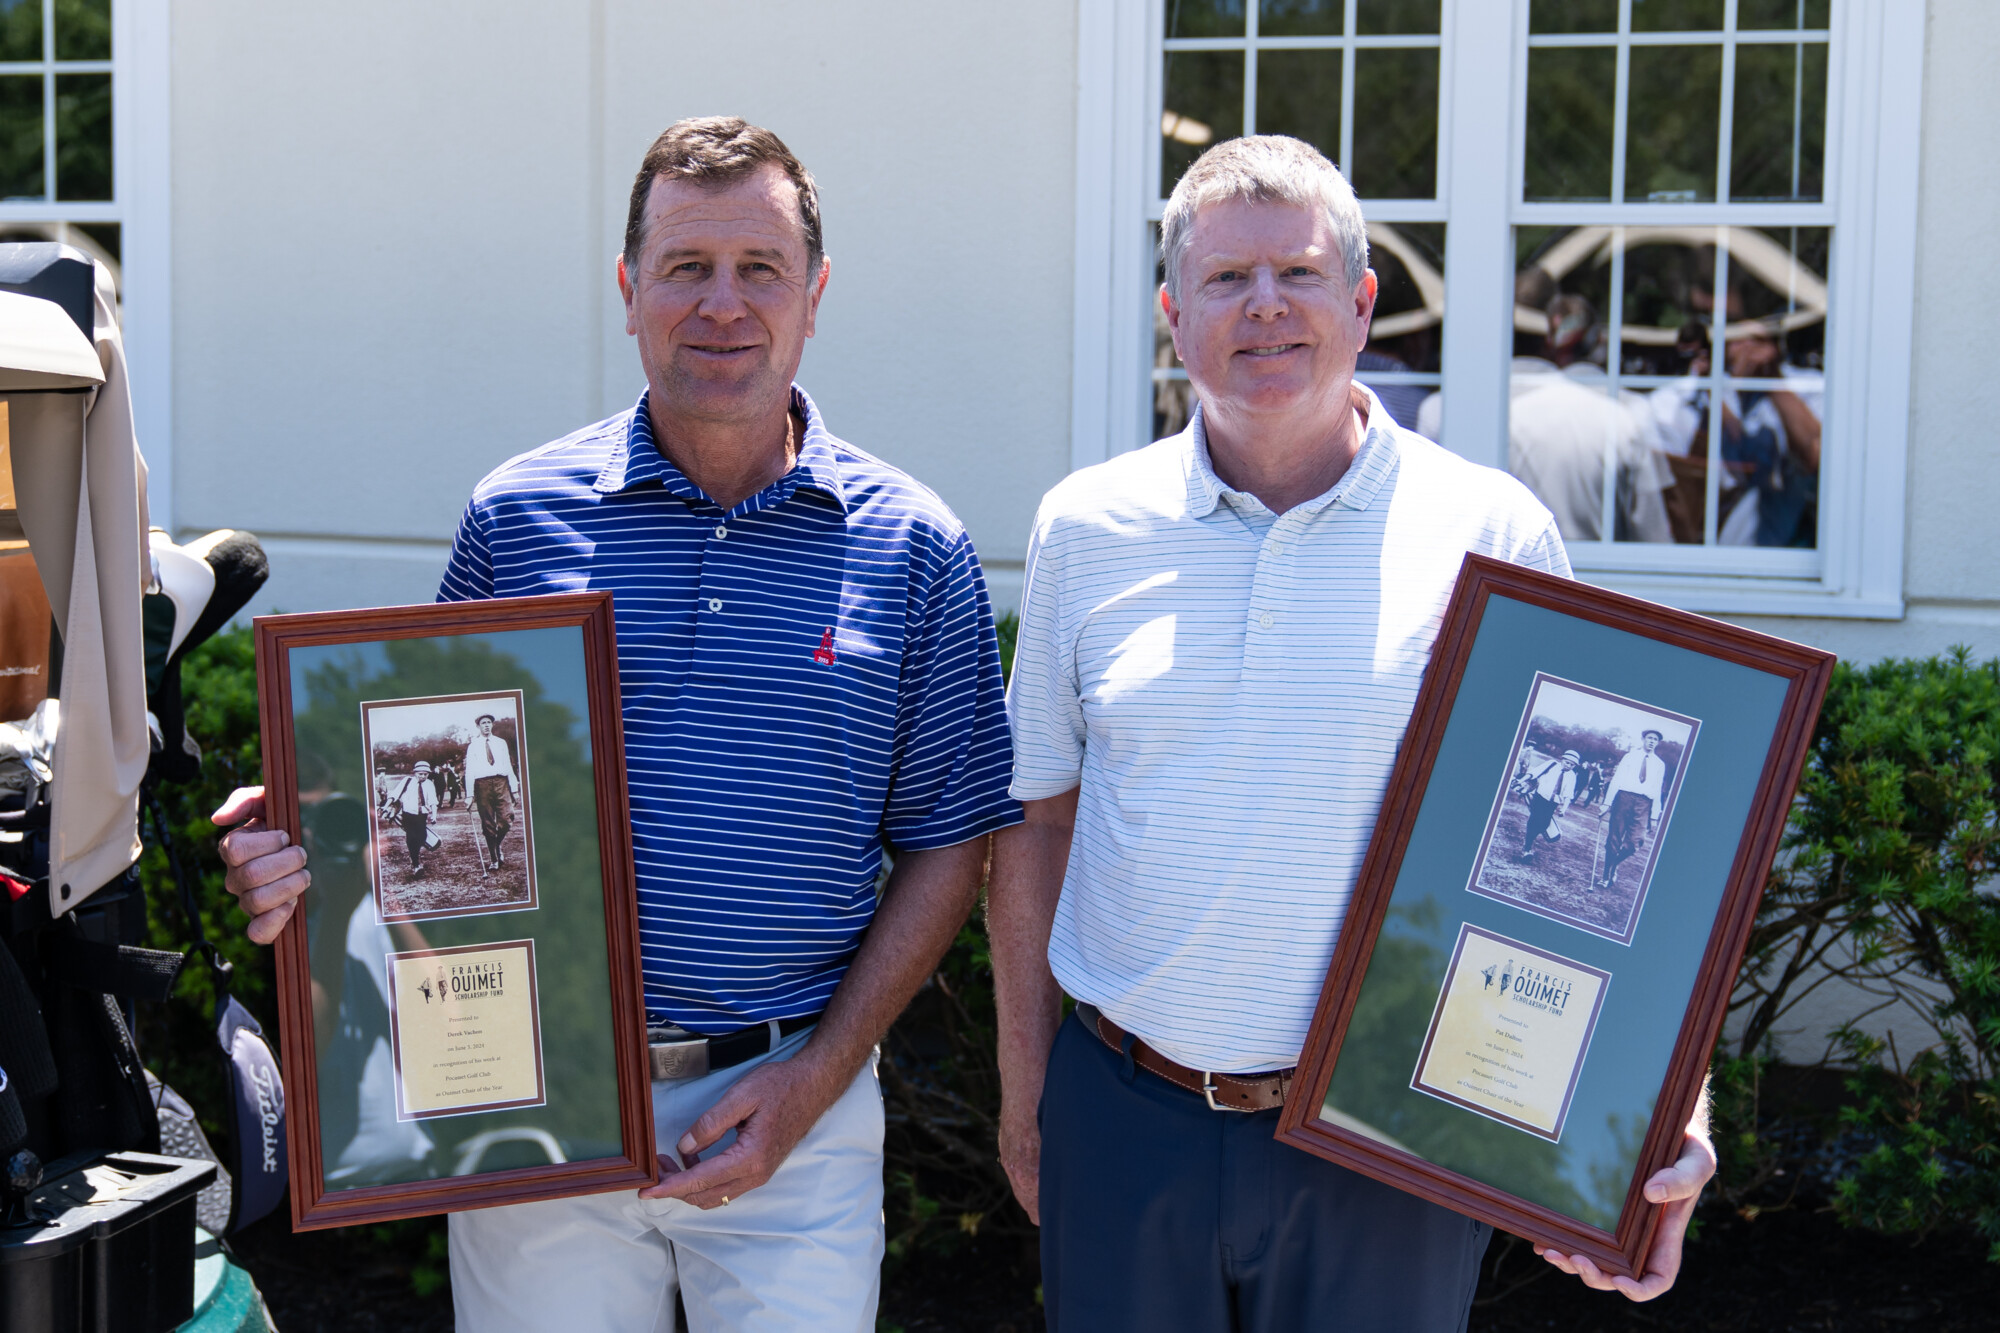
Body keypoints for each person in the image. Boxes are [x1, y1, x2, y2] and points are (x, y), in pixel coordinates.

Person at [213, 116, 1019, 1331]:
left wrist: (815, 1078)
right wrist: (305, 849)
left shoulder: (914, 547)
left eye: (760, 269)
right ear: (628, 286)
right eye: (687, 267)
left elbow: (951, 839)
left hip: (793, 1100)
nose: (722, 305)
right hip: (530, 1096)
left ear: (816, 295)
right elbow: (417, 805)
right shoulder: (515, 519)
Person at [988, 135, 1715, 1332]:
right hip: (1124, 1116)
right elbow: (1037, 820)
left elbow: (1604, 878)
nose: (1263, 306)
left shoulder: (1492, 531)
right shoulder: (1085, 528)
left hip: (1391, 1132)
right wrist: (1026, 1096)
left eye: (1300, 273)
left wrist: (1663, 1107)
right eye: (1225, 279)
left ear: (1362, 303)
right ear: (1173, 315)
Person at [1508, 295, 1675, 545]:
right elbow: (1651, 531)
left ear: (1550, 342)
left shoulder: (1513, 412)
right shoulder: (1629, 411)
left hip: (1525, 569)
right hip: (1601, 572)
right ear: (1598, 340)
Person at [1597, 728, 1668, 891]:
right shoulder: (1630, 756)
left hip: (1644, 804)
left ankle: (1613, 866)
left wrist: (1655, 816)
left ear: (1657, 743)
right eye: (1649, 738)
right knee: (1614, 840)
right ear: (1643, 739)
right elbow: (1616, 780)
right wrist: (1607, 804)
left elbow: (1657, 790)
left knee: (1635, 842)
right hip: (1624, 799)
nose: (1651, 741)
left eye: (1655, 739)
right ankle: (1606, 876)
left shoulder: (1659, 764)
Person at [461, 714, 520, 874]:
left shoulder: (501, 743)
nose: (486, 725)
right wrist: (469, 795)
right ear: (478, 726)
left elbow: (508, 766)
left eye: (488, 722)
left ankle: (497, 844)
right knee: (488, 825)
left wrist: (514, 789)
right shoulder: (473, 746)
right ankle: (494, 858)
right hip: (482, 785)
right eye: (483, 723)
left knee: (507, 820)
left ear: (492, 725)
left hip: (501, 783)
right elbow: (470, 771)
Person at [1519, 748, 1580, 862]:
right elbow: (1533, 773)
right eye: (1567, 762)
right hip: (1540, 797)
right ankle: (1527, 849)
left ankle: (1529, 840)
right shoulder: (1551, 765)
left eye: (1572, 765)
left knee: (1543, 824)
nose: (1569, 766)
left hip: (1553, 803)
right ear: (1562, 759)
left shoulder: (1572, 776)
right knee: (1534, 820)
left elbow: (1568, 795)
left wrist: (1564, 809)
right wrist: (1521, 781)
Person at [382, 761, 438, 879]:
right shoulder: (407, 781)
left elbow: (433, 801)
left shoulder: (429, 784)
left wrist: (434, 815)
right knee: (411, 837)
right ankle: (416, 864)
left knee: (422, 837)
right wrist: (385, 806)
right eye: (420, 774)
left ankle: (414, 856)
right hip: (408, 814)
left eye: (425, 774)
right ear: (415, 773)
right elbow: (394, 795)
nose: (423, 776)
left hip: (422, 814)